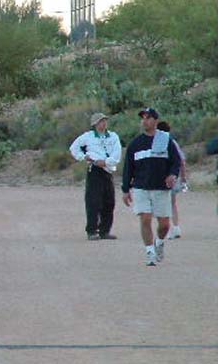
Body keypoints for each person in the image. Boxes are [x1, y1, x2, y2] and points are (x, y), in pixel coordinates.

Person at [121, 107, 181, 266]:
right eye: (143, 118)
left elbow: (176, 161)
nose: (144, 121)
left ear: (155, 121)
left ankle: (159, 243)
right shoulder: (135, 143)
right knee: (145, 218)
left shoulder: (165, 140)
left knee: (164, 225)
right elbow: (128, 167)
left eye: (148, 118)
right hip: (141, 187)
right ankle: (149, 252)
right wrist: (126, 189)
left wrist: (173, 174)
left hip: (161, 188)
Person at [68, 112, 122, 240]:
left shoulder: (113, 136)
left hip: (107, 170)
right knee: (93, 201)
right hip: (95, 170)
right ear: (95, 124)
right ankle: (92, 230)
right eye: (100, 121)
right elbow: (74, 148)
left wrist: (107, 162)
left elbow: (117, 153)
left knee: (109, 201)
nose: (103, 123)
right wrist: (83, 157)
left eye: (104, 121)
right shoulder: (88, 136)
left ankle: (105, 230)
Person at [156, 121, 187, 239]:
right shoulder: (173, 142)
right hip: (174, 176)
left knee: (165, 203)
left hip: (165, 177)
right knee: (172, 203)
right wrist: (183, 177)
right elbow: (182, 161)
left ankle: (169, 228)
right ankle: (176, 227)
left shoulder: (161, 143)